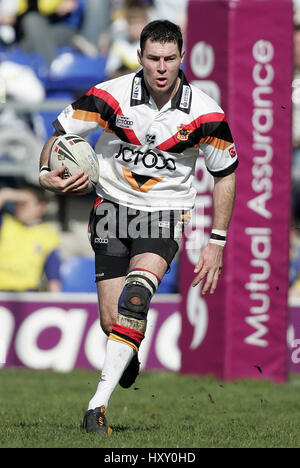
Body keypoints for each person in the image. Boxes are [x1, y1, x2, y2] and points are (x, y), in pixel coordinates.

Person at [39, 20, 238, 434]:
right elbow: (60, 132)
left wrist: (217, 240)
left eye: (169, 59)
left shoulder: (205, 112)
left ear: (181, 58)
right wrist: (45, 172)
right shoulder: (109, 95)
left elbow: (226, 174)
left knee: (135, 300)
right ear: (140, 57)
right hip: (111, 209)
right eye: (153, 59)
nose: (161, 67)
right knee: (114, 323)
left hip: (165, 213)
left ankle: (97, 407)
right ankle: (126, 351)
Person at [0, 184, 61, 292]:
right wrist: (5, 194)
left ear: (42, 207)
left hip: (27, 295)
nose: (20, 206)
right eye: (18, 202)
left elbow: (53, 277)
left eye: (25, 203)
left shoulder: (48, 234)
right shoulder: (5, 223)